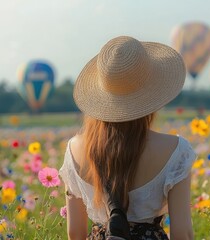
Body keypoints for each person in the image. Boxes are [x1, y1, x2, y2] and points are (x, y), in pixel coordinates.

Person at [59, 36, 197, 240]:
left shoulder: (74, 148)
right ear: (153, 94)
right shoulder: (176, 150)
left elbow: (74, 233)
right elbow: (182, 234)